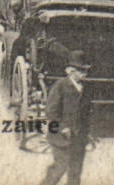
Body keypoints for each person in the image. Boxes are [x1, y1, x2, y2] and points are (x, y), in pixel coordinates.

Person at [41, 51, 93, 185]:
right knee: (60, 167)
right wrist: (63, 128)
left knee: (75, 171)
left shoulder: (86, 89)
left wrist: (88, 133)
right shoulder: (60, 86)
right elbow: (51, 111)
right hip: (60, 137)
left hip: (79, 137)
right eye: (80, 70)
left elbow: (86, 114)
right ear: (70, 71)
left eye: (86, 70)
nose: (84, 74)